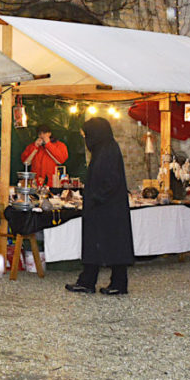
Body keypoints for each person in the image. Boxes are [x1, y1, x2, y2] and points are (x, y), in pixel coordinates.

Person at [66, 117, 134, 295]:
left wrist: (95, 197)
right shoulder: (105, 148)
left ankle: (116, 283)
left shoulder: (107, 151)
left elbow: (111, 180)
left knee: (112, 245)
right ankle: (88, 280)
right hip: (104, 207)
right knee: (98, 245)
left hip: (107, 208)